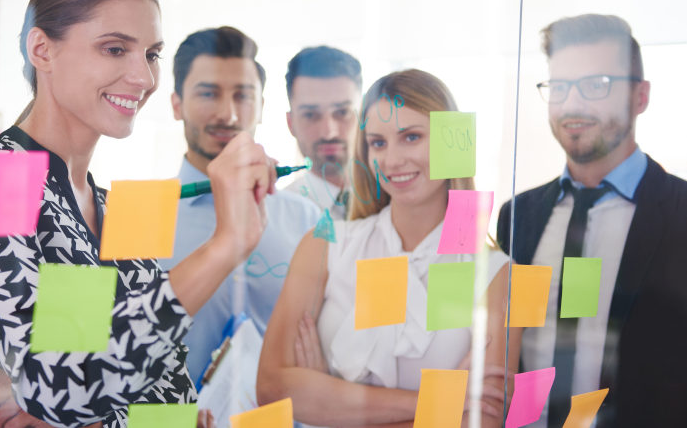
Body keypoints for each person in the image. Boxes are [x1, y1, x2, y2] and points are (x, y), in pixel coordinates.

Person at [0, 0, 276, 428]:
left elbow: (158, 393)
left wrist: (81, 410)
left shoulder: (112, 208)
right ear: (42, 50)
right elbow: (62, 385)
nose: (145, 78)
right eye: (115, 49)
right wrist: (223, 246)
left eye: (151, 54)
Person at [258, 69, 520, 428]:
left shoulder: (495, 273)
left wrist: (331, 400)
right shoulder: (327, 244)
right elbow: (272, 389)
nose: (392, 160)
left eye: (411, 137)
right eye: (378, 143)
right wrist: (438, 403)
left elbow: (482, 420)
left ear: (451, 141)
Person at [496, 14, 687, 427]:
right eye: (560, 87)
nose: (573, 104)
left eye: (596, 85)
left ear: (640, 97)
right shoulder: (519, 215)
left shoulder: (682, 214)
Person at [157, 27, 321, 382]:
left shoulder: (306, 218)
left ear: (261, 107)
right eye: (208, 93)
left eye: (243, 96)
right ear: (176, 104)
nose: (228, 114)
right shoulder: (136, 217)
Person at [283, 46, 362, 220]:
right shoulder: (274, 218)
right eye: (310, 115)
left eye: (343, 112)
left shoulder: (399, 200)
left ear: (363, 116)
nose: (329, 133)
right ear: (291, 124)